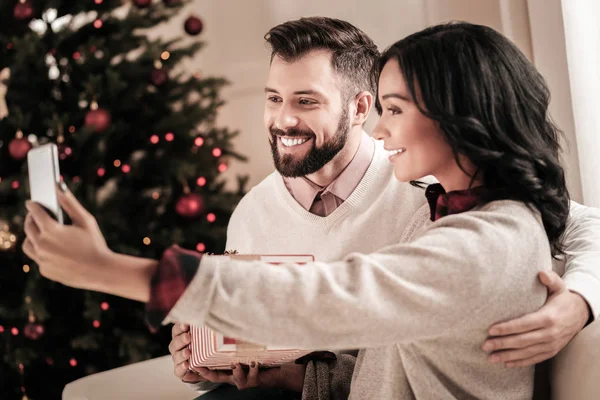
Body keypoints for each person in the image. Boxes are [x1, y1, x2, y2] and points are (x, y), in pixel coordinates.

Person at [23, 20, 600, 399]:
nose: (381, 129)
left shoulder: (472, 239)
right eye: (274, 98)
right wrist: (281, 373)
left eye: (393, 109)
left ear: (459, 119)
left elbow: (323, 298)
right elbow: (396, 359)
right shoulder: (466, 211)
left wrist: (105, 269)